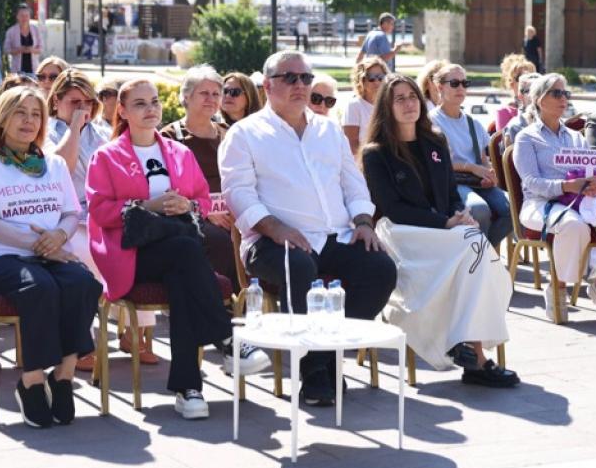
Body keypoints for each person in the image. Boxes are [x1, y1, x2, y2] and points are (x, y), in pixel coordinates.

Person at [219, 51, 397, 406]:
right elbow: (237, 193)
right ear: (268, 85)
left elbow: (352, 182)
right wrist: (274, 227)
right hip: (271, 241)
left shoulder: (328, 129)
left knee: (380, 269)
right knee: (299, 266)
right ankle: (315, 374)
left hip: (336, 235)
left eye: (305, 78)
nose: (300, 85)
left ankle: (327, 357)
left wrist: (363, 221)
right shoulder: (245, 134)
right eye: (290, 78)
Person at [86, 79, 269, 420]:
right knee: (186, 254)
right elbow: (98, 211)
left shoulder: (178, 152)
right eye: (139, 103)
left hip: (177, 251)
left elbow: (201, 198)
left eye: (154, 101)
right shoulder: (106, 157)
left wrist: (185, 205)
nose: (150, 109)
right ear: (122, 111)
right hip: (132, 253)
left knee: (183, 274)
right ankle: (228, 339)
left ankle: (190, 390)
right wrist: (149, 205)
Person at [361, 75, 518, 387]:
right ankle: (473, 357)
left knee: (473, 243)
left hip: (443, 231)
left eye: (412, 97)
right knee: (473, 249)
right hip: (402, 232)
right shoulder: (376, 153)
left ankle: (470, 351)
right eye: (399, 99)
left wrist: (460, 216)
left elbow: (448, 195)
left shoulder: (435, 142)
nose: (408, 104)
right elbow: (392, 207)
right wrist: (445, 224)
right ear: (387, 108)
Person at [0, 86, 101, 428]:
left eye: (36, 114)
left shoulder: (53, 164)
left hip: (52, 253)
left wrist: (60, 236)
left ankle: (64, 376)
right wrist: (37, 244)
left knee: (84, 282)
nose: (29, 121)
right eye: (20, 113)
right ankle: (32, 381)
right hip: (3, 260)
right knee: (40, 287)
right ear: (3, 118)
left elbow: (71, 213)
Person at [514, 74, 596, 322]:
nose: (563, 99)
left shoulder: (574, 137)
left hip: (583, 203)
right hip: (541, 204)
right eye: (556, 93)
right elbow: (531, 182)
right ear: (538, 99)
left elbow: (595, 169)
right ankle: (556, 286)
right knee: (573, 225)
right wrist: (567, 186)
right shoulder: (527, 137)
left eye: (565, 93)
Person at [42, 70, 139, 368]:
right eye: (74, 102)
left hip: (100, 213)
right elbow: (62, 169)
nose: (82, 108)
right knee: (83, 256)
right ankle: (79, 342)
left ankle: (135, 331)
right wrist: (73, 126)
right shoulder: (45, 131)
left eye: (88, 102)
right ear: (56, 101)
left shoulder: (100, 133)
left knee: (133, 247)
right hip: (62, 216)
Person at [160, 66, 237, 284]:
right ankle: (216, 304)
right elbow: (167, 184)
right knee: (218, 240)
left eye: (216, 94)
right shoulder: (169, 136)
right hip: (192, 213)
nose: (211, 99)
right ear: (187, 96)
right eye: (204, 93)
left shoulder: (228, 133)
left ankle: (246, 302)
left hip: (232, 210)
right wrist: (207, 210)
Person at [430, 64, 513, 251]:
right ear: (439, 87)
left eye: (464, 83)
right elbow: (437, 163)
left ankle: (481, 254)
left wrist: (488, 175)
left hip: (476, 181)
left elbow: (482, 158)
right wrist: (473, 168)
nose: (461, 88)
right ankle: (478, 258)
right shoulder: (432, 121)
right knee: (479, 209)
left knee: (513, 209)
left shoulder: (472, 122)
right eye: (454, 83)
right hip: (451, 182)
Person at [343, 57, 389, 155]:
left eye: (381, 77)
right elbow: (351, 144)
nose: (377, 82)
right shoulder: (354, 106)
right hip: (365, 162)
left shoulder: (391, 104)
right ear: (361, 80)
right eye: (371, 78)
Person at [501, 72, 543, 148]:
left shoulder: (556, 123)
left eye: (541, 91)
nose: (537, 95)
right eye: (531, 90)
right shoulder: (515, 127)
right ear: (520, 95)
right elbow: (511, 159)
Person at [495, 55, 536, 132]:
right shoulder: (504, 112)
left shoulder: (543, 108)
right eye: (521, 78)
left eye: (531, 77)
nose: (528, 81)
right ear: (512, 84)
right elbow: (504, 142)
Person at [3, 5, 43, 77]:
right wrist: (19, 50)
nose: (24, 18)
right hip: (17, 70)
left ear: (29, 17)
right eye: (22, 15)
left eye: (26, 15)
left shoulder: (36, 30)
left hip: (33, 69)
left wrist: (31, 50)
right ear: (17, 16)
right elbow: (6, 49)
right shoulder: (11, 31)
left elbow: (41, 49)